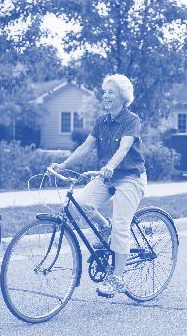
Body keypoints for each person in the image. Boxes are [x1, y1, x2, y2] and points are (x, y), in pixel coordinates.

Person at [50, 74, 147, 297]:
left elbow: (123, 149)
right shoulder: (101, 121)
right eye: (104, 92)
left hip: (130, 177)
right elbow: (86, 146)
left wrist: (110, 166)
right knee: (80, 203)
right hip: (107, 177)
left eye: (110, 92)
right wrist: (64, 164)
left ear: (123, 97)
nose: (105, 96)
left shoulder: (131, 120)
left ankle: (117, 278)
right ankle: (104, 227)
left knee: (121, 226)